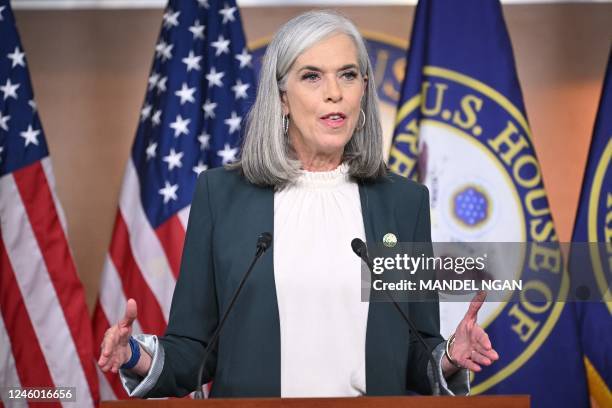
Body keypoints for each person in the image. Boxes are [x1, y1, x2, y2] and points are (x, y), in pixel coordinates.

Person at [98, 10, 498, 398]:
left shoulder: (402, 202)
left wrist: (448, 356)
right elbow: (195, 350)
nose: (334, 92)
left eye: (348, 75)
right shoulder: (222, 196)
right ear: (282, 99)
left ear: (363, 89)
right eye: (312, 76)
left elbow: (413, 352)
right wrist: (135, 354)